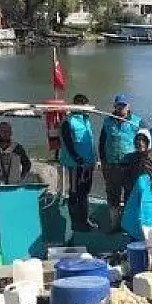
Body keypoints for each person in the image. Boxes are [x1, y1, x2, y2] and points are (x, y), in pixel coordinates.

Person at [99, 93, 146, 233]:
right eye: (118, 106)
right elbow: (102, 143)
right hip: (112, 166)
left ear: (128, 107)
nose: (121, 109)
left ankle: (128, 226)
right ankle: (114, 224)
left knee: (130, 196)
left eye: (123, 106)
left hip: (131, 166)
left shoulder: (138, 122)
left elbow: (147, 141)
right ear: (115, 106)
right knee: (113, 196)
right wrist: (103, 162)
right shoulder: (108, 121)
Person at [120, 129, 152, 240]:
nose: (140, 143)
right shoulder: (130, 158)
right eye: (138, 140)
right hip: (134, 197)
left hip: (151, 197)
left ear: (148, 142)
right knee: (133, 225)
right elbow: (125, 178)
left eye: (143, 140)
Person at [58, 94, 97, 231]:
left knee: (85, 192)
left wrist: (94, 159)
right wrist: (76, 158)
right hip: (75, 164)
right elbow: (68, 143)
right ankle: (74, 222)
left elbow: (90, 141)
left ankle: (84, 219)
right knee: (75, 192)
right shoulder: (68, 121)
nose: (88, 109)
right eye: (85, 106)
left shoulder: (86, 119)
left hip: (88, 163)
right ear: (79, 106)